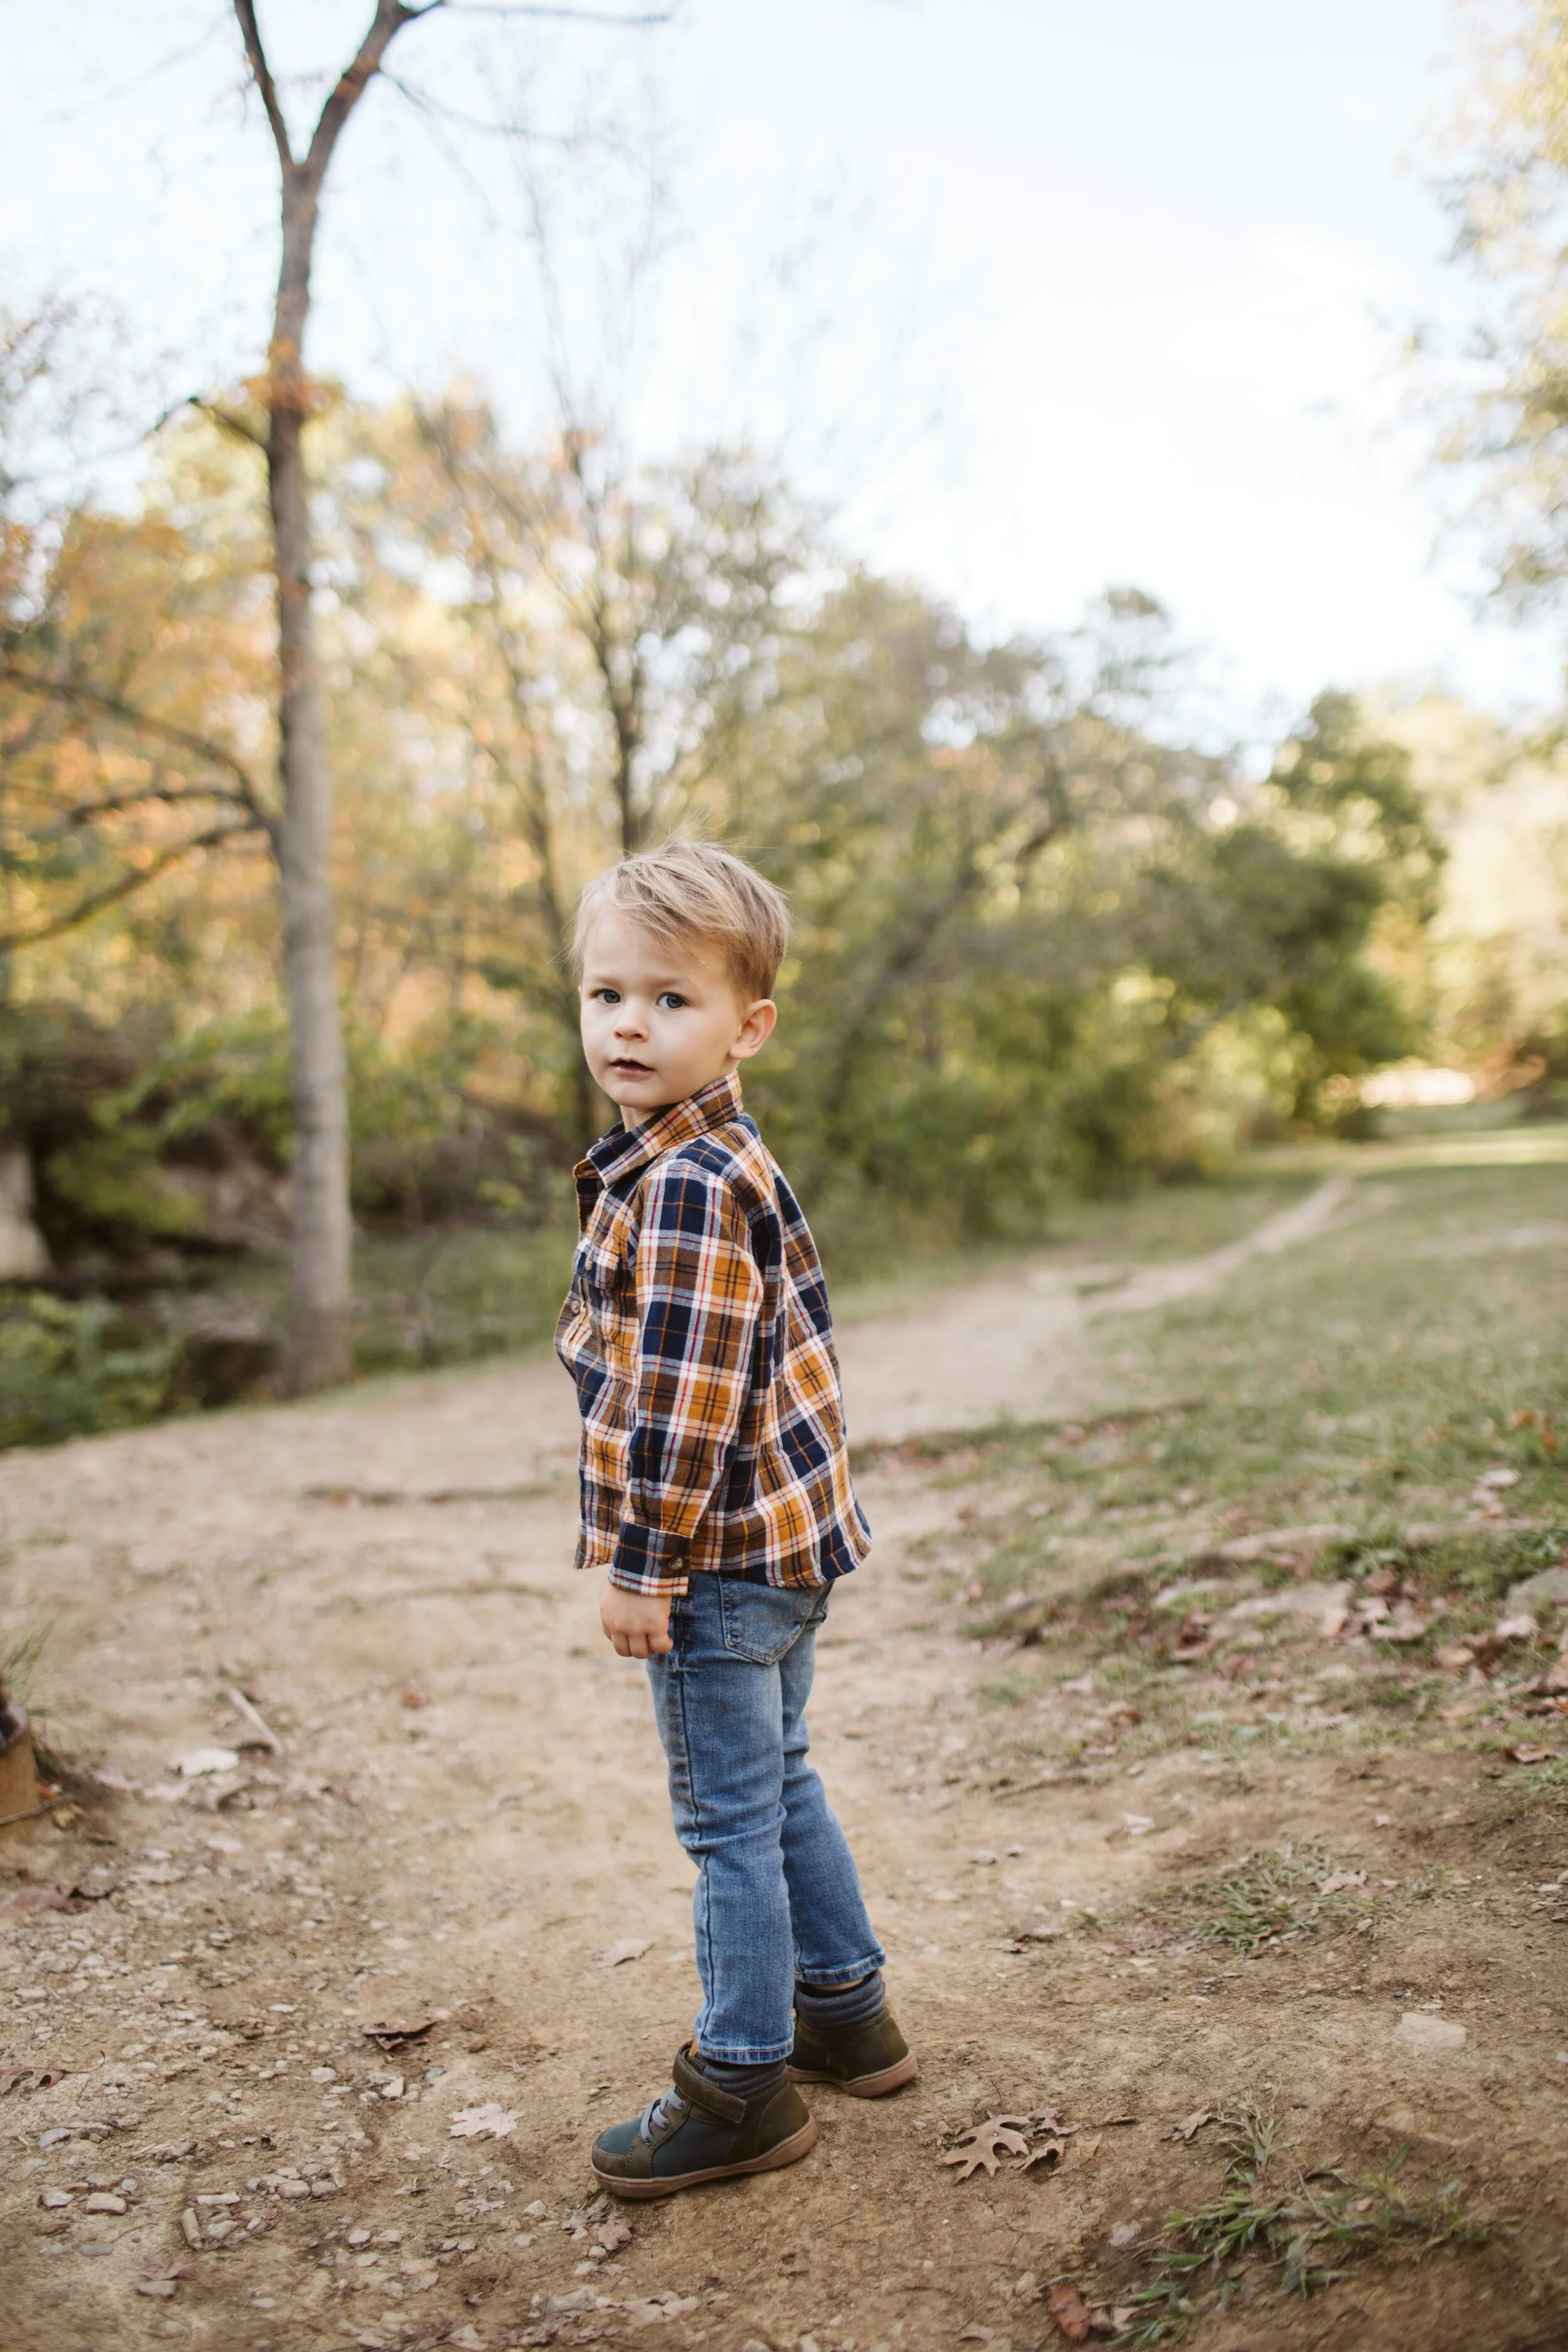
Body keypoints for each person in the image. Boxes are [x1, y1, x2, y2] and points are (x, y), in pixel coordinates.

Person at [555, 840, 916, 2200]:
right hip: (783, 1548)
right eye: (606, 996)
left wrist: (641, 1568)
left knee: (725, 1824)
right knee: (783, 1780)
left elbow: (688, 1405)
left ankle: (742, 2080)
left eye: (669, 1000)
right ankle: (845, 2013)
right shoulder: (704, 1151)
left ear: (745, 1024)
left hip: (712, 1563)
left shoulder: (689, 1186)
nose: (628, 1025)